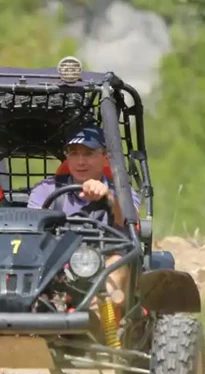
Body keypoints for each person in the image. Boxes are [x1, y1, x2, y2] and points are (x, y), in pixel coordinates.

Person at [26, 124, 141, 306]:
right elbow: (30, 231)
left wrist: (109, 198)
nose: (80, 162)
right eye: (73, 153)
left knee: (117, 263)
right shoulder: (46, 189)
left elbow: (130, 221)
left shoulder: (122, 192)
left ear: (105, 158)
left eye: (88, 153)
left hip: (101, 262)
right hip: (54, 266)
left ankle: (98, 317)